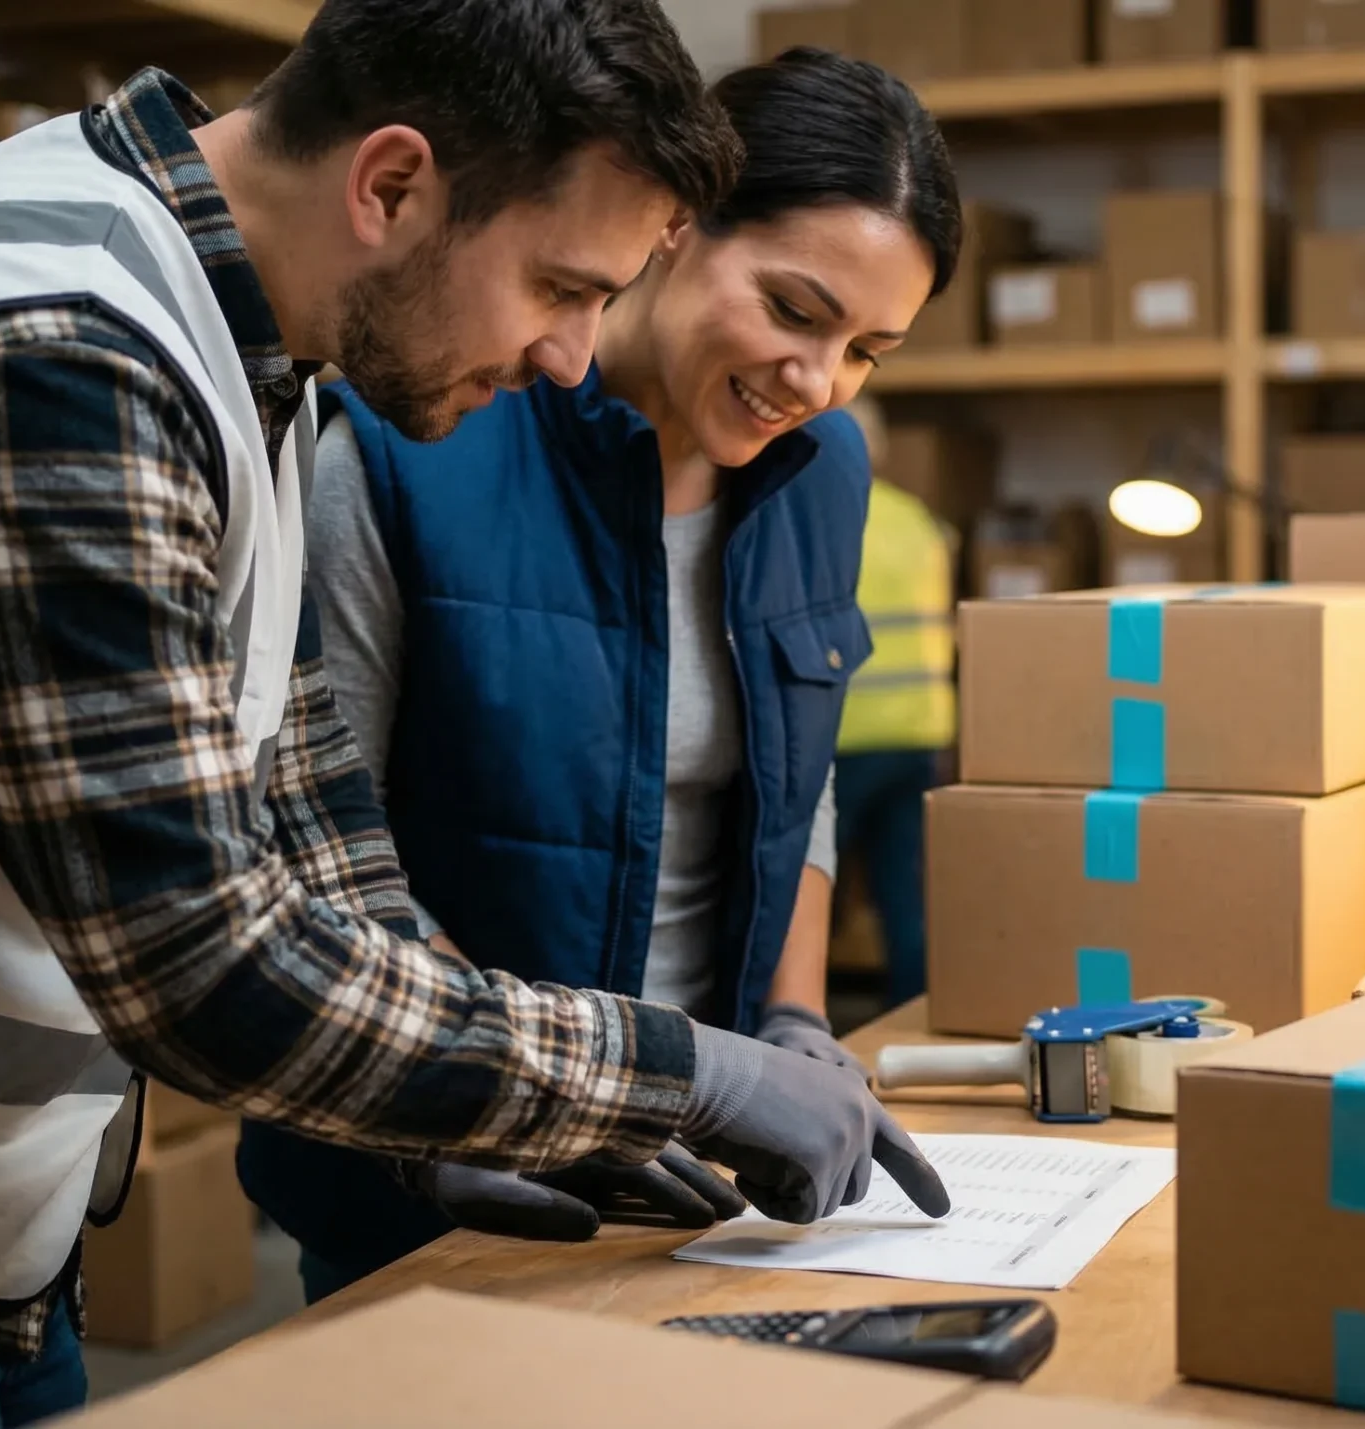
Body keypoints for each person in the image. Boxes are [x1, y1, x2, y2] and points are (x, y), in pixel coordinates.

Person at [0, 6, 944, 1425]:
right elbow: (205, 964)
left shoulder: (231, 348)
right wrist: (679, 1077)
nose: (575, 358)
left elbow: (314, 819)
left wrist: (504, 1114)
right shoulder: (44, 349)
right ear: (391, 185)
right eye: (561, 287)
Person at [252, 45, 961, 1299]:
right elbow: (318, 844)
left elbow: (802, 785)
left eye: (869, 350)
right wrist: (464, 1118)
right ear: (675, 227)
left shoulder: (823, 475)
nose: (818, 383)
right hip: (446, 1171)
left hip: (713, 1174)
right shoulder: (413, 442)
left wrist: (794, 1026)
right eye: (796, 311)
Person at [833, 412, 958, 1008]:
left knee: (808, 890)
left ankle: (791, 1029)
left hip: (845, 734)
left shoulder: (823, 515)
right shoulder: (917, 519)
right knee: (904, 895)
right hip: (917, 732)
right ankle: (915, 1015)